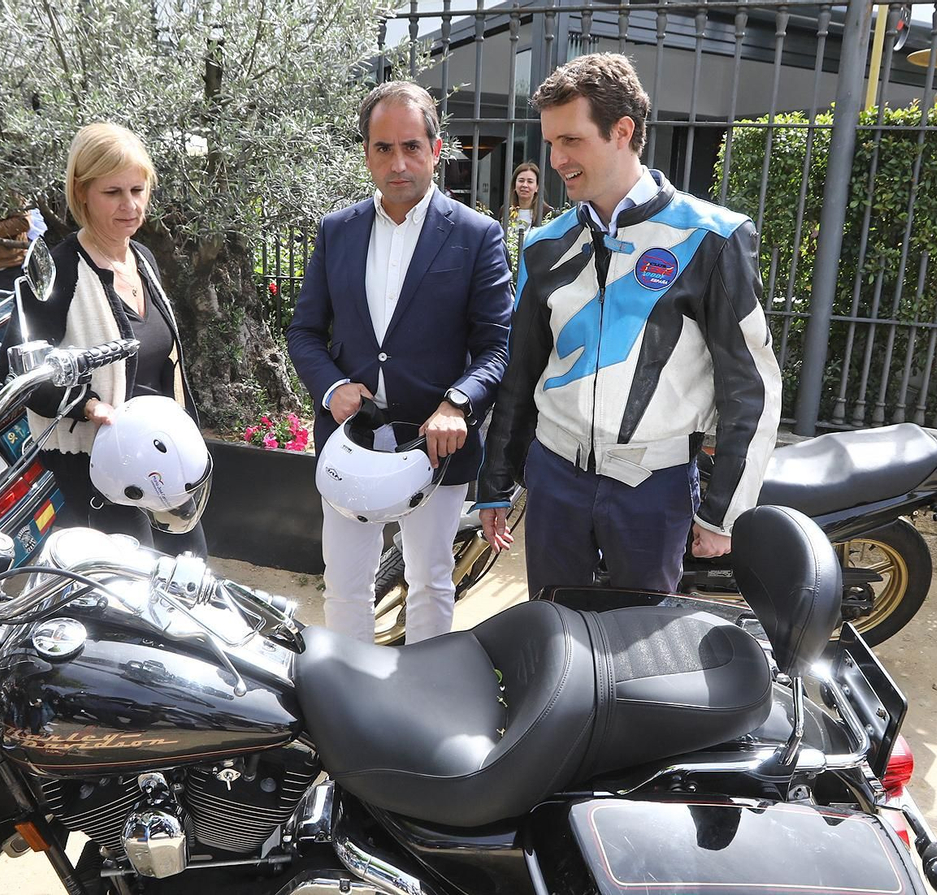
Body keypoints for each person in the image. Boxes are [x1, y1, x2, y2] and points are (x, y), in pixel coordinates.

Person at [476, 53, 782, 597]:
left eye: (571, 141)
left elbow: (751, 383)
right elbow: (519, 371)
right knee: (555, 639)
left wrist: (724, 513)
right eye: (550, 143)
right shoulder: (543, 244)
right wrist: (496, 484)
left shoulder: (713, 237)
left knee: (642, 653)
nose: (555, 159)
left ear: (623, 132)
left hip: (654, 487)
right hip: (553, 477)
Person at [286, 82, 512, 644]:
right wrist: (330, 385)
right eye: (383, 148)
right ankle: (352, 696)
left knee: (431, 582)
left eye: (411, 146)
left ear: (437, 149)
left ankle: (422, 699)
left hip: (436, 446)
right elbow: (305, 332)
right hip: (350, 439)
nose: (398, 162)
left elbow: (498, 346)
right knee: (344, 583)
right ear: (366, 153)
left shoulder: (476, 235)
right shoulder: (336, 231)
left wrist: (458, 403)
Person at [0, 122, 206, 554]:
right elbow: (15, 371)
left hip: (162, 469)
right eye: (113, 192)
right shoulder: (59, 273)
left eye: (138, 190)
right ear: (82, 193)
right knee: (131, 605)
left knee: (190, 585)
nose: (130, 205)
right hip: (99, 476)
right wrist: (88, 405)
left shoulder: (143, 258)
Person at [497, 160, 546, 242]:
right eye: (521, 180)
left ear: (537, 187)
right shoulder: (505, 210)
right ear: (514, 185)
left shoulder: (546, 212)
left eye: (530, 181)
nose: (524, 185)